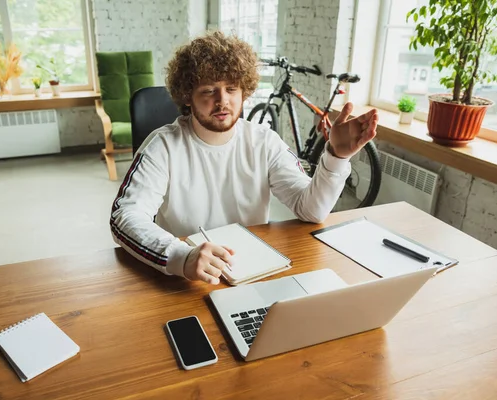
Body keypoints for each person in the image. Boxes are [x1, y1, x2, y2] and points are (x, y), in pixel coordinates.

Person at [110, 31, 378, 285]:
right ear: (187, 96)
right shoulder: (163, 146)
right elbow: (126, 215)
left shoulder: (264, 141)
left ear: (244, 91)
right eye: (208, 90)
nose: (222, 101)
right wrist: (182, 255)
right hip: (188, 277)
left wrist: (337, 156)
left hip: (253, 270)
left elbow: (311, 210)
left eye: (231, 89)